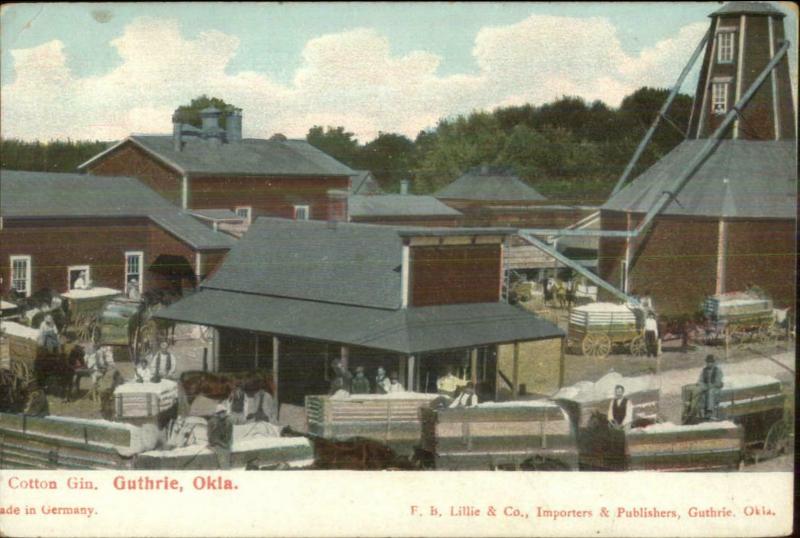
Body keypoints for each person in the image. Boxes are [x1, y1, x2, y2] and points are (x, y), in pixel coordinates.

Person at [207, 403, 233, 470]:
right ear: (218, 413)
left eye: (224, 412)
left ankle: (226, 468)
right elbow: (212, 436)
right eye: (221, 412)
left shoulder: (228, 421)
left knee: (226, 452)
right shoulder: (213, 422)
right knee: (222, 455)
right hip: (216, 443)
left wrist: (227, 443)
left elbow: (229, 434)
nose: (223, 414)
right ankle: (225, 469)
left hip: (224, 442)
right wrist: (220, 443)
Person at [697, 355, 724, 420]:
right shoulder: (704, 370)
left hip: (716, 389)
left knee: (710, 392)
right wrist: (702, 386)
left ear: (713, 363)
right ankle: (700, 410)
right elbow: (700, 381)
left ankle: (710, 410)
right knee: (699, 392)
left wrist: (710, 386)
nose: (709, 364)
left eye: (710, 362)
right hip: (706, 388)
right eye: (707, 362)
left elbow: (718, 382)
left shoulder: (717, 370)